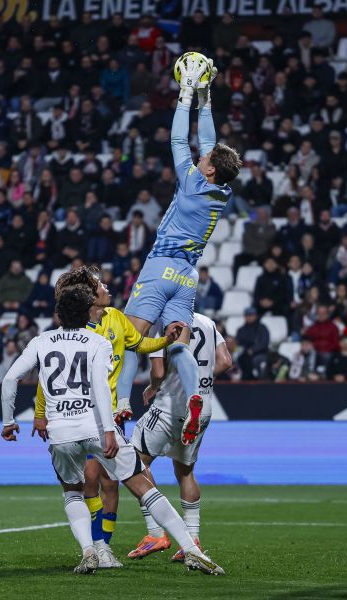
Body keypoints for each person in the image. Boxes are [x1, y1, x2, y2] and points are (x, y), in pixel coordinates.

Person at [1, 284, 224, 575]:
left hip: (60, 434)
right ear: (87, 313)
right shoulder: (97, 342)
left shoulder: (40, 342)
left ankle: (89, 551)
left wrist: (8, 422)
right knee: (143, 487)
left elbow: (10, 379)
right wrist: (109, 431)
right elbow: (101, 390)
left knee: (72, 493)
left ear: (59, 315)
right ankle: (192, 550)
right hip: (94, 426)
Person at [121, 55, 240, 449]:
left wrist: (186, 94)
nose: (201, 155)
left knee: (128, 340)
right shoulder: (220, 189)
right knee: (177, 345)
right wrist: (207, 99)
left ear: (206, 170)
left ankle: (120, 403)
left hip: (161, 267)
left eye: (204, 159)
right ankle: (195, 397)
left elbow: (177, 140)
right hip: (188, 276)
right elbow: (210, 145)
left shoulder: (192, 181)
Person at [32, 266, 182, 567]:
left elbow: (139, 344)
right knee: (89, 479)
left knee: (110, 482)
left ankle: (104, 547)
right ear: (90, 293)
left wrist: (165, 341)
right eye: (100, 284)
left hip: (110, 414)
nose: (107, 287)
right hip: (80, 415)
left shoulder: (115, 317)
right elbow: (46, 376)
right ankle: (97, 545)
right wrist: (40, 413)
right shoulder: (74, 328)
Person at [130, 312, 231, 560]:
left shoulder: (166, 325)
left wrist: (153, 387)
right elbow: (226, 361)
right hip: (203, 406)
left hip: (169, 405)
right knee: (185, 471)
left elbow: (158, 369)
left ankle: (155, 533)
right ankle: (192, 538)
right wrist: (198, 382)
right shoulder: (207, 322)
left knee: (133, 463)